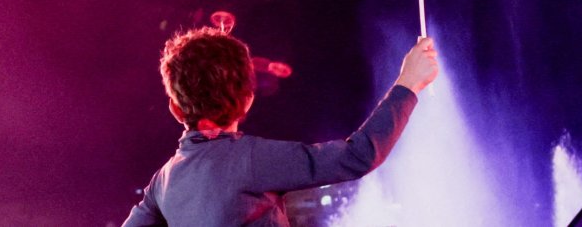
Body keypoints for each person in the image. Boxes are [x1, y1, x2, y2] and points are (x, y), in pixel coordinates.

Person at [121, 28, 438, 226]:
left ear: (175, 109)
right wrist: (407, 84)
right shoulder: (252, 160)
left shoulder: (163, 181)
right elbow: (358, 156)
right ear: (249, 100)